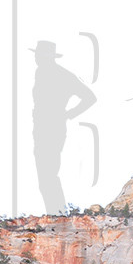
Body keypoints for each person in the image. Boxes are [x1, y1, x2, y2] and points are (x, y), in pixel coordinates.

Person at [32, 40, 96, 215]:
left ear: (48, 56)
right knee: (45, 173)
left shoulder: (62, 75)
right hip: (41, 128)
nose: (36, 57)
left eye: (39, 54)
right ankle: (55, 213)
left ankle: (58, 214)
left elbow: (90, 97)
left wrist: (68, 114)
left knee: (48, 173)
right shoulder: (41, 73)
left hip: (52, 127)